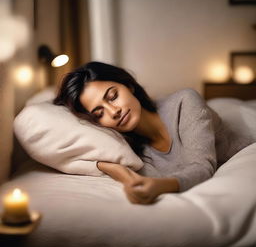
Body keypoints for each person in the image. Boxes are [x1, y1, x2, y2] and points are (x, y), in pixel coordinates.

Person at [53, 61, 253, 205]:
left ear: (128, 85)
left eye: (113, 96)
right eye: (99, 113)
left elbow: (202, 167)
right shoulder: (131, 154)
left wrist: (159, 186)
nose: (114, 112)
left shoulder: (184, 102)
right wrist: (114, 169)